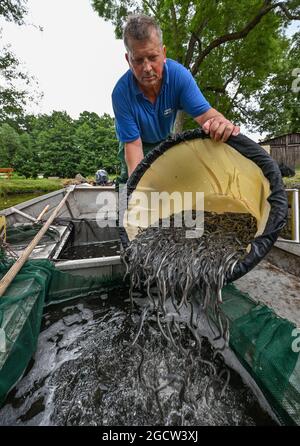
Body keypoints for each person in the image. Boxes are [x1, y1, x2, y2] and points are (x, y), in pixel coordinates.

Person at [112, 14, 240, 183]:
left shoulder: (180, 77)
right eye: (138, 60)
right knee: (130, 183)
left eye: (152, 57)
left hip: (163, 138)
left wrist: (219, 122)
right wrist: (138, 191)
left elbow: (205, 115)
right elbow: (134, 146)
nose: (147, 68)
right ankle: (123, 206)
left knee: (166, 180)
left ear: (163, 53)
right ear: (128, 59)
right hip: (135, 142)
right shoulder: (120, 94)